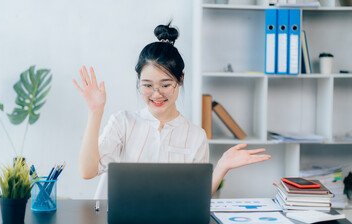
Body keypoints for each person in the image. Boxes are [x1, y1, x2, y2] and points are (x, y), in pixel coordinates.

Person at [73, 23, 271, 198]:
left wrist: (222, 167)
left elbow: (196, 197)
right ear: (138, 79)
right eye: (147, 85)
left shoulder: (195, 136)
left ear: (180, 79)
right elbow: (87, 171)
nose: (156, 94)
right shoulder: (123, 122)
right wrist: (95, 111)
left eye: (166, 85)